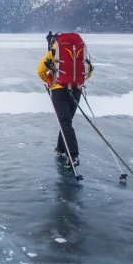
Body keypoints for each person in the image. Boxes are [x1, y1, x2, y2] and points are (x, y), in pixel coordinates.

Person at [37, 33, 93, 167]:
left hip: (59, 90)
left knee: (65, 122)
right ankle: (61, 149)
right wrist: (77, 81)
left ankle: (73, 155)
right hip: (76, 89)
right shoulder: (81, 50)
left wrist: (51, 81)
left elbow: (40, 71)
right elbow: (89, 71)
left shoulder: (54, 52)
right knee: (67, 121)